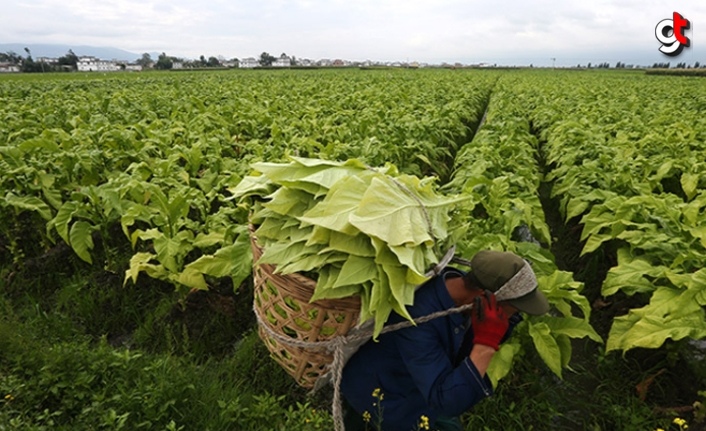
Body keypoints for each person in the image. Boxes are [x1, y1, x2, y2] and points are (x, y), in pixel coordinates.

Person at [340, 250, 550, 431]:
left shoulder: (468, 300)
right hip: (384, 398)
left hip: (424, 388)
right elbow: (447, 402)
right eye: (513, 307)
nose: (514, 315)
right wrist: (486, 342)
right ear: (485, 297)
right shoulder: (418, 318)